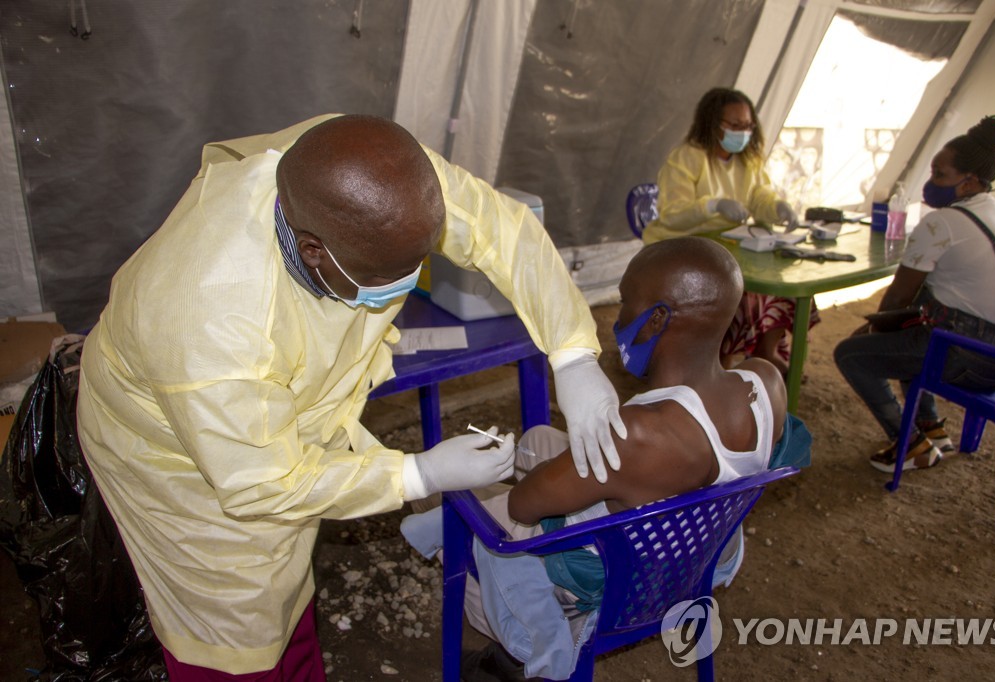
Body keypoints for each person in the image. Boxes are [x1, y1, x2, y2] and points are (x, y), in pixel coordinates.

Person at [75, 114, 628, 679]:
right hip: (181, 456)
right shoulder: (209, 320)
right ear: (314, 251)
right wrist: (417, 475)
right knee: (237, 615)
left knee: (289, 583)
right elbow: (264, 483)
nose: (411, 281)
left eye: (421, 259)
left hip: (270, 399)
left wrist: (573, 354)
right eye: (393, 271)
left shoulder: (380, 177)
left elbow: (500, 229)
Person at [402, 237, 790, 680]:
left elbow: (523, 505)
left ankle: (535, 651)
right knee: (541, 439)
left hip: (622, 582)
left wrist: (477, 480)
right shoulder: (766, 381)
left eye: (626, 302)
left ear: (657, 318)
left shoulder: (640, 433)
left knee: (460, 509)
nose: (617, 318)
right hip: (697, 554)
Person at [834, 115, 995, 473]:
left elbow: (897, 300)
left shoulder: (940, 224)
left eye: (940, 176)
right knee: (916, 330)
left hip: (971, 359)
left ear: (969, 183)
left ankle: (909, 442)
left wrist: (871, 330)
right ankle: (932, 428)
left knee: (852, 354)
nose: (930, 184)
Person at [641, 87, 819, 375]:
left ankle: (767, 355)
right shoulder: (686, 158)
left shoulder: (748, 160)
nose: (742, 132)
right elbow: (672, 215)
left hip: (728, 245)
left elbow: (760, 196)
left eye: (747, 125)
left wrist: (777, 208)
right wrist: (712, 206)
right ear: (712, 123)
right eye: (734, 125)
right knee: (731, 294)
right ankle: (716, 367)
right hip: (681, 248)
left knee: (778, 287)